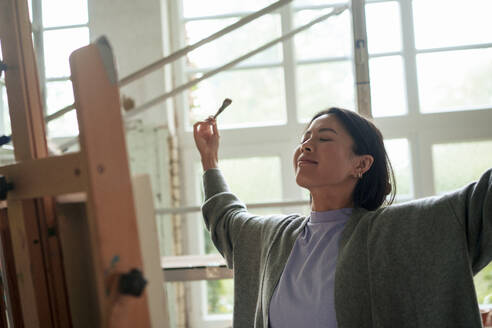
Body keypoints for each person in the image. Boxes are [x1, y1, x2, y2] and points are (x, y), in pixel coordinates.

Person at [193, 107, 492, 328]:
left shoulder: (397, 230)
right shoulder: (273, 237)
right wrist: (209, 160)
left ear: (360, 164)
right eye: (305, 137)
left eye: (324, 138)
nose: (306, 145)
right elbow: (226, 219)